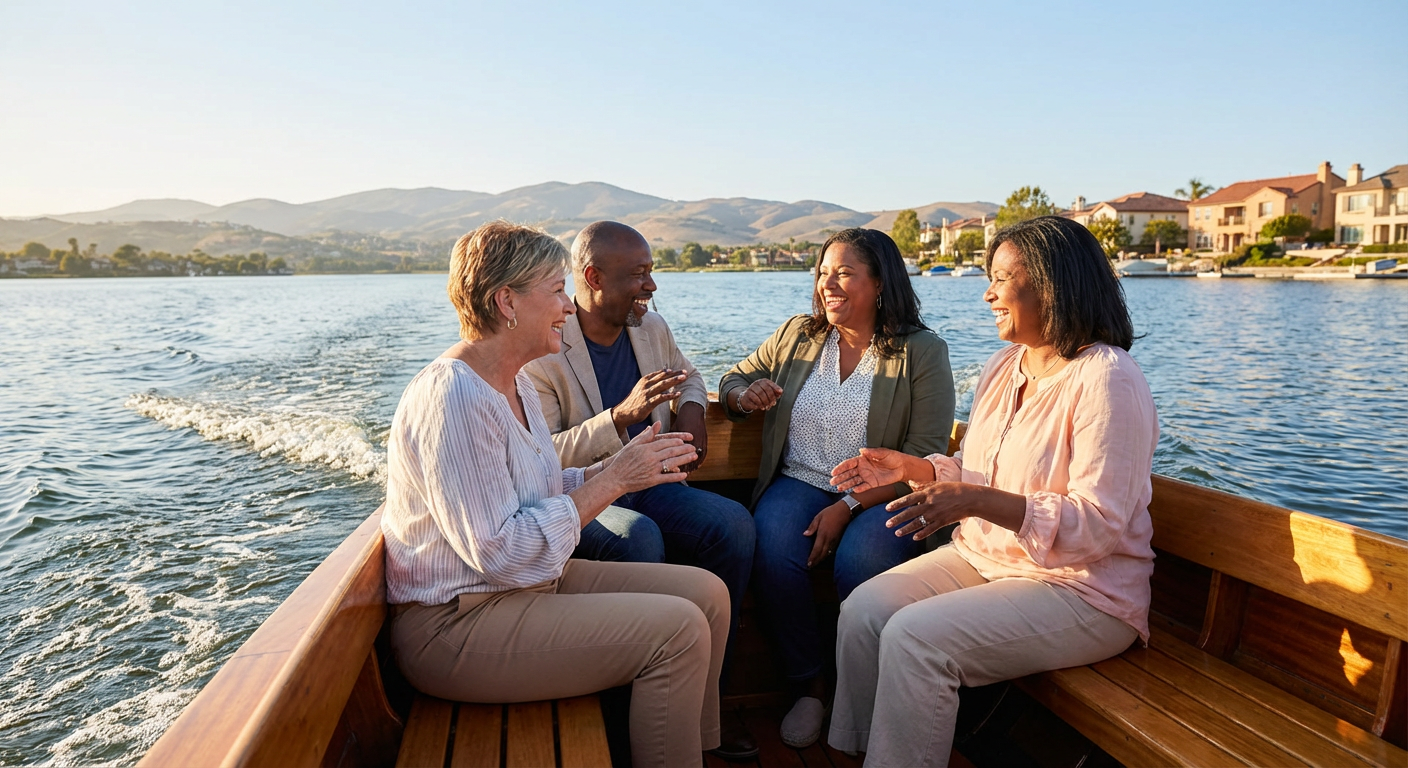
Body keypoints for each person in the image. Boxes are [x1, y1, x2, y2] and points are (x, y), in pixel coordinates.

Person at [383, 221, 729, 768]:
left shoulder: (515, 381)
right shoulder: (454, 398)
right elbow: (500, 550)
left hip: (525, 586)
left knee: (706, 595)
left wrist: (620, 467)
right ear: (507, 302)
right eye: (556, 290)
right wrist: (613, 482)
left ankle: (695, 747)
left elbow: (539, 487)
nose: (569, 307)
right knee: (678, 631)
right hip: (457, 623)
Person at [826, 215, 1158, 767]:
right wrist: (916, 469)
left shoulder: (1107, 377)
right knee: (864, 611)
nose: (988, 294)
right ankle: (860, 753)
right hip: (986, 558)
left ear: (1053, 284)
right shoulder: (1005, 366)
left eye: (1002, 279)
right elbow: (983, 471)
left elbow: (1097, 526)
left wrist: (977, 502)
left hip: (1083, 590)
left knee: (916, 639)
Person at [523, 220, 759, 760]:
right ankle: (630, 716)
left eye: (651, 272)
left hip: (653, 481)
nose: (651, 286)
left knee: (733, 526)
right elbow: (542, 455)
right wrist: (619, 418)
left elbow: (689, 376)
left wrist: (693, 414)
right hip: (588, 494)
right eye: (639, 275)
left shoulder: (650, 328)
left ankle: (704, 708)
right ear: (593, 278)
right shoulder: (544, 349)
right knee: (638, 538)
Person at [718, 228, 955, 749]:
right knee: (773, 545)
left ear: (880, 282)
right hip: (800, 479)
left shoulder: (922, 351)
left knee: (862, 562)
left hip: (886, 494)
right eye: (824, 273)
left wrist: (848, 505)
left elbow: (926, 456)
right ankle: (809, 685)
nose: (828, 284)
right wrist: (744, 396)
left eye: (844, 273)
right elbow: (733, 379)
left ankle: (863, 695)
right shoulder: (797, 336)